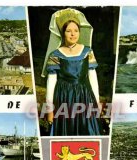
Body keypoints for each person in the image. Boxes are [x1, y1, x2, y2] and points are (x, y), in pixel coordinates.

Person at [41, 8, 102, 136]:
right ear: (63, 33)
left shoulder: (87, 52)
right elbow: (51, 83)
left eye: (76, 30)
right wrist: (50, 109)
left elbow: (93, 78)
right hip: (64, 98)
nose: (73, 34)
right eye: (69, 31)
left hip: (85, 96)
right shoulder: (55, 54)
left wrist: (97, 102)